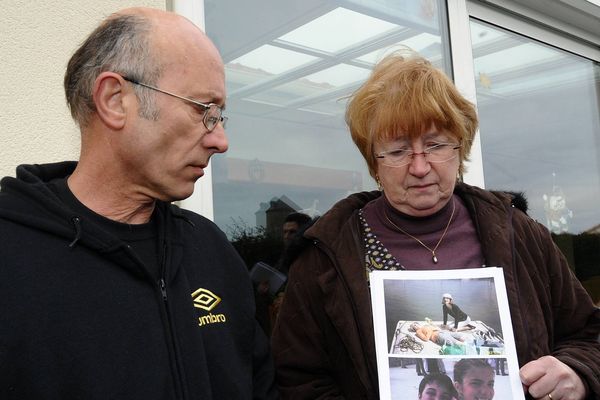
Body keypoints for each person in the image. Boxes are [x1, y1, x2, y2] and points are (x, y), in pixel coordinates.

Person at [271, 49, 600, 399]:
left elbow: (588, 333)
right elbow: (297, 379)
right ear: (374, 163)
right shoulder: (325, 255)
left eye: (435, 145)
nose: (420, 167)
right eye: (398, 151)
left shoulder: (519, 233)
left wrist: (577, 371)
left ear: (460, 148)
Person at [0, 8, 277, 399]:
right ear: (115, 100)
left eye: (220, 116)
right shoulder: (10, 257)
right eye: (203, 110)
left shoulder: (212, 251)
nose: (221, 141)